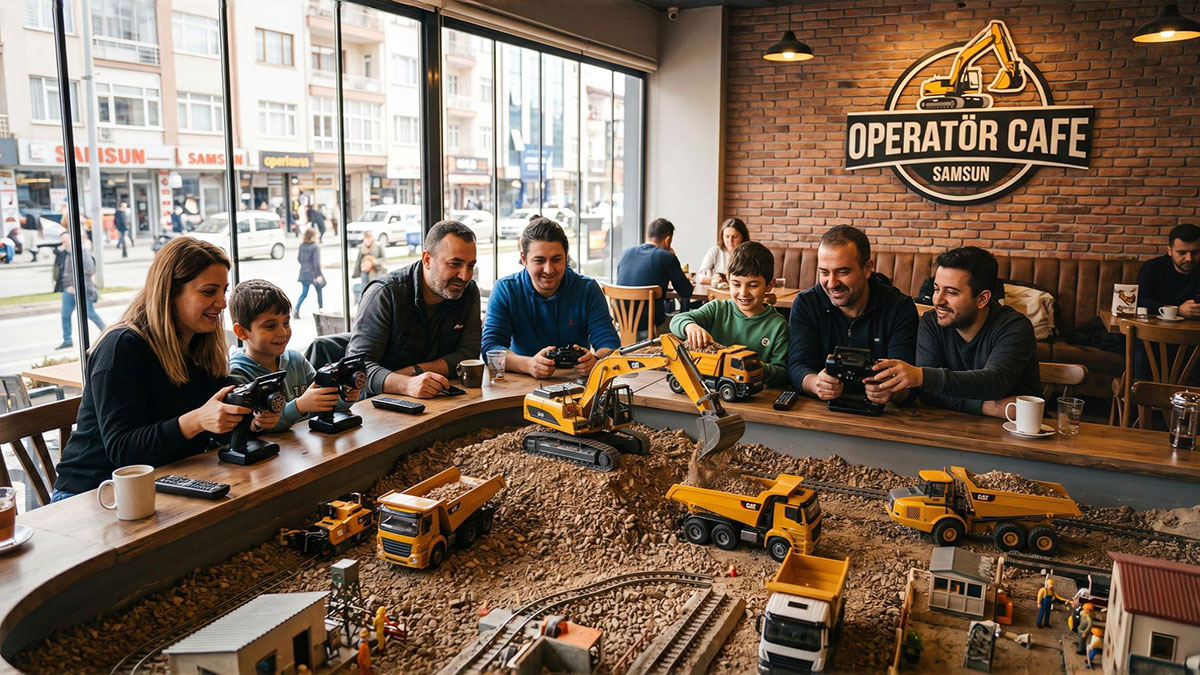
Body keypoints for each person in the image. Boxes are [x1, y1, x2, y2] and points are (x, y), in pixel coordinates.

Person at [51, 237, 280, 499]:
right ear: (170, 292)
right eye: (209, 292)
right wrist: (195, 421)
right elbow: (123, 450)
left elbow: (216, 422)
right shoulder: (121, 347)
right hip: (93, 494)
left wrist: (253, 420)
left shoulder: (197, 344)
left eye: (223, 291)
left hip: (171, 479)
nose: (223, 303)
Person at [871, 246, 1041, 417]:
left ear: (982, 299)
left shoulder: (1015, 327)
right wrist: (988, 407)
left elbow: (994, 382)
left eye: (951, 292)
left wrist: (922, 376)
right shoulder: (931, 322)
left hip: (1018, 432)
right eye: (936, 289)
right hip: (952, 426)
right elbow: (929, 393)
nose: (937, 300)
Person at [347, 220, 482, 399]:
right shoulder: (385, 293)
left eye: (470, 266)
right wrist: (406, 384)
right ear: (427, 259)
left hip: (439, 399)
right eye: (454, 264)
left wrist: (417, 371)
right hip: (379, 406)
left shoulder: (469, 291)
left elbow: (469, 354)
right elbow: (357, 368)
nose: (465, 276)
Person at [788, 226, 919, 405]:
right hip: (820, 412)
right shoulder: (806, 303)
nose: (832, 283)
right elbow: (797, 365)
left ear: (867, 268)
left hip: (885, 418)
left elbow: (908, 381)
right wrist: (815, 383)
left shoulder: (899, 307)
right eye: (824, 272)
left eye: (843, 272)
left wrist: (891, 391)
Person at [481, 217, 620, 379]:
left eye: (556, 259)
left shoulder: (587, 288)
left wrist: (596, 360)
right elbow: (491, 349)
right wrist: (528, 364)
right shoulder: (506, 289)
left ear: (566, 257)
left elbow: (610, 344)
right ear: (524, 259)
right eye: (539, 260)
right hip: (521, 381)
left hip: (576, 383)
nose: (549, 269)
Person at [228, 279, 360, 431]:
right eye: (271, 326)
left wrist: (345, 396)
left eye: (286, 323)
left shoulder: (297, 360)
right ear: (241, 332)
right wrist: (299, 406)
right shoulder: (237, 375)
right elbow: (257, 427)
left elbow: (323, 402)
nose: (283, 333)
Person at [671, 242, 789, 387]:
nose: (743, 293)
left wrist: (756, 367)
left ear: (769, 285)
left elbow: (782, 375)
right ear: (728, 280)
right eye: (736, 284)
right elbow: (677, 320)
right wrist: (690, 326)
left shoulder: (778, 325)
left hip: (754, 397)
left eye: (753, 285)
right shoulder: (717, 309)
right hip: (711, 389)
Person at [616, 217, 694, 337]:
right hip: (652, 329)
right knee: (681, 323)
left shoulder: (626, 253)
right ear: (668, 240)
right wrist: (672, 256)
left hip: (621, 327)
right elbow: (686, 292)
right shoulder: (667, 257)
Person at [55, 231, 107, 350]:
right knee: (65, 314)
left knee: (90, 313)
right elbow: (61, 270)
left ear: (72, 239)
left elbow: (89, 269)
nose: (63, 242)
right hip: (68, 290)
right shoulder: (66, 253)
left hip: (82, 288)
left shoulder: (83, 252)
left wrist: (75, 285)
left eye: (65, 239)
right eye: (62, 239)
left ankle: (106, 331)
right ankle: (67, 340)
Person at [1136, 223, 1200, 316]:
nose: (1189, 258)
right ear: (1170, 251)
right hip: (1157, 327)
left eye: (1195, 252)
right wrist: (1178, 310)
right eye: (1182, 252)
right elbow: (1139, 301)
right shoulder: (1152, 268)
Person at [697, 217, 750, 284]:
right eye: (727, 236)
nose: (730, 241)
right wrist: (714, 279)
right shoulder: (715, 251)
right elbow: (699, 277)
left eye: (735, 236)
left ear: (743, 236)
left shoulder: (749, 253)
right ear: (722, 236)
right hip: (719, 292)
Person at [295, 227, 324, 318]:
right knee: (319, 290)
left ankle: (296, 309)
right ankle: (321, 309)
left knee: (304, 293)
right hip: (313, 274)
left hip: (304, 272)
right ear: (312, 236)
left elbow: (299, 259)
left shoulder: (302, 245)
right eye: (315, 236)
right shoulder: (315, 247)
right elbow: (316, 263)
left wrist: (305, 266)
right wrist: (318, 275)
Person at [354, 230, 387, 301]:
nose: (368, 239)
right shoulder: (361, 247)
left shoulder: (377, 246)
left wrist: (375, 261)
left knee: (374, 289)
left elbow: (383, 259)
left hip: (376, 270)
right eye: (366, 237)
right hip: (365, 270)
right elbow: (358, 260)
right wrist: (356, 273)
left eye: (369, 237)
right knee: (364, 288)